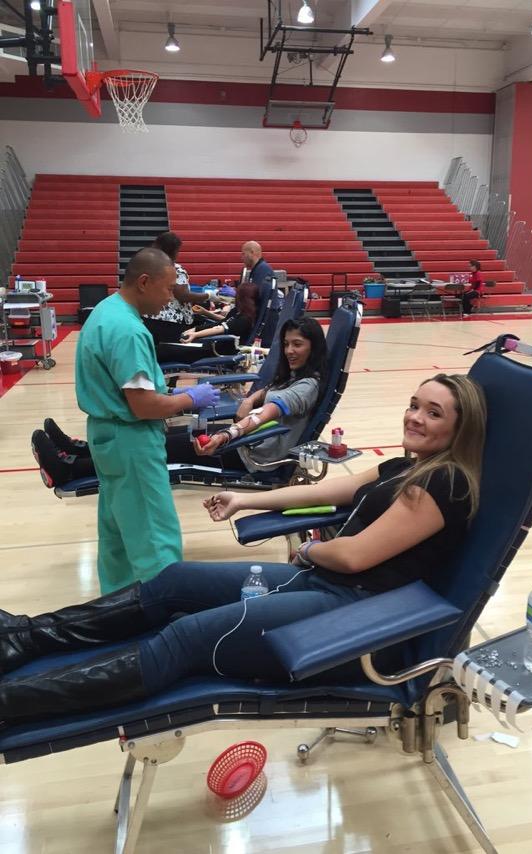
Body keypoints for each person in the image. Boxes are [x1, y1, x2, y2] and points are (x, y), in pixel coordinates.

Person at [1, 374, 486, 727]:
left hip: (356, 616)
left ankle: (12, 701)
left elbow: (354, 556)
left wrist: (311, 552)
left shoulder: (444, 483)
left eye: (433, 412)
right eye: (414, 404)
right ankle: (24, 637)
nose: (414, 417)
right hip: (326, 585)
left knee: (186, 637)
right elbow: (328, 493)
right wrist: (245, 500)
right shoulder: (406, 466)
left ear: (460, 429)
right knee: (176, 582)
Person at [74, 247, 220, 595]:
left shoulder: (105, 312)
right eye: (168, 289)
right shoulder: (127, 331)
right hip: (131, 440)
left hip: (107, 437)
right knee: (155, 535)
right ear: (143, 282)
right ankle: (165, 618)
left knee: (119, 531)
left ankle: (117, 602)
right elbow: (143, 405)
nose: (171, 297)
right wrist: (190, 399)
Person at [32, 316, 328, 485]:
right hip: (244, 443)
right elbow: (269, 395)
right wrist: (252, 398)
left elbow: (267, 414)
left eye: (297, 345)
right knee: (154, 438)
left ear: (313, 348)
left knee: (150, 450)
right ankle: (78, 451)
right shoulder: (292, 375)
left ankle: (69, 469)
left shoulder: (306, 386)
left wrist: (227, 433)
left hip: (248, 456)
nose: (289, 350)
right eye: (287, 344)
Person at [142, 231, 209, 344]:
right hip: (171, 322)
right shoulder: (175, 269)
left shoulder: (147, 266)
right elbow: (183, 295)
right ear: (174, 251)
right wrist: (208, 295)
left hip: (149, 318)